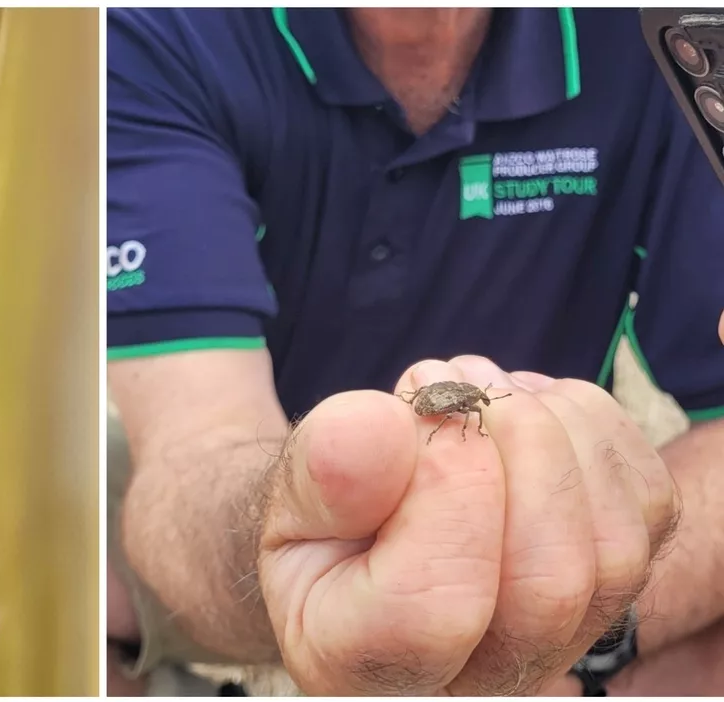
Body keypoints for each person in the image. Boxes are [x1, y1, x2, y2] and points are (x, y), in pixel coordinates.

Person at [106, 7, 724, 696]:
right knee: (82, 570)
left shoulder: (662, 34)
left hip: (541, 540)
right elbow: (191, 446)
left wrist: (589, 637)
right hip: (271, 507)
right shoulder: (160, 33)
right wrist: (293, 539)